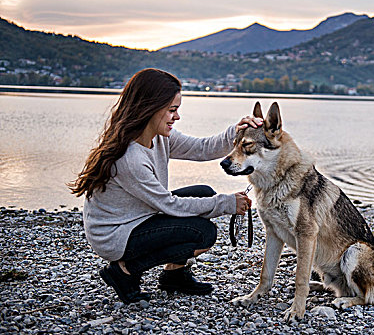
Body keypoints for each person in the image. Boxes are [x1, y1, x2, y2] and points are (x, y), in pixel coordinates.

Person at [69, 68, 262, 304]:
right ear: (149, 108)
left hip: (138, 217)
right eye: (172, 110)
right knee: (204, 233)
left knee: (203, 194)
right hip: (115, 235)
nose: (177, 117)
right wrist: (227, 203)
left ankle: (174, 275)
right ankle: (125, 270)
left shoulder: (159, 137)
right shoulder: (130, 158)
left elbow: (202, 148)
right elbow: (169, 204)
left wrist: (237, 131)